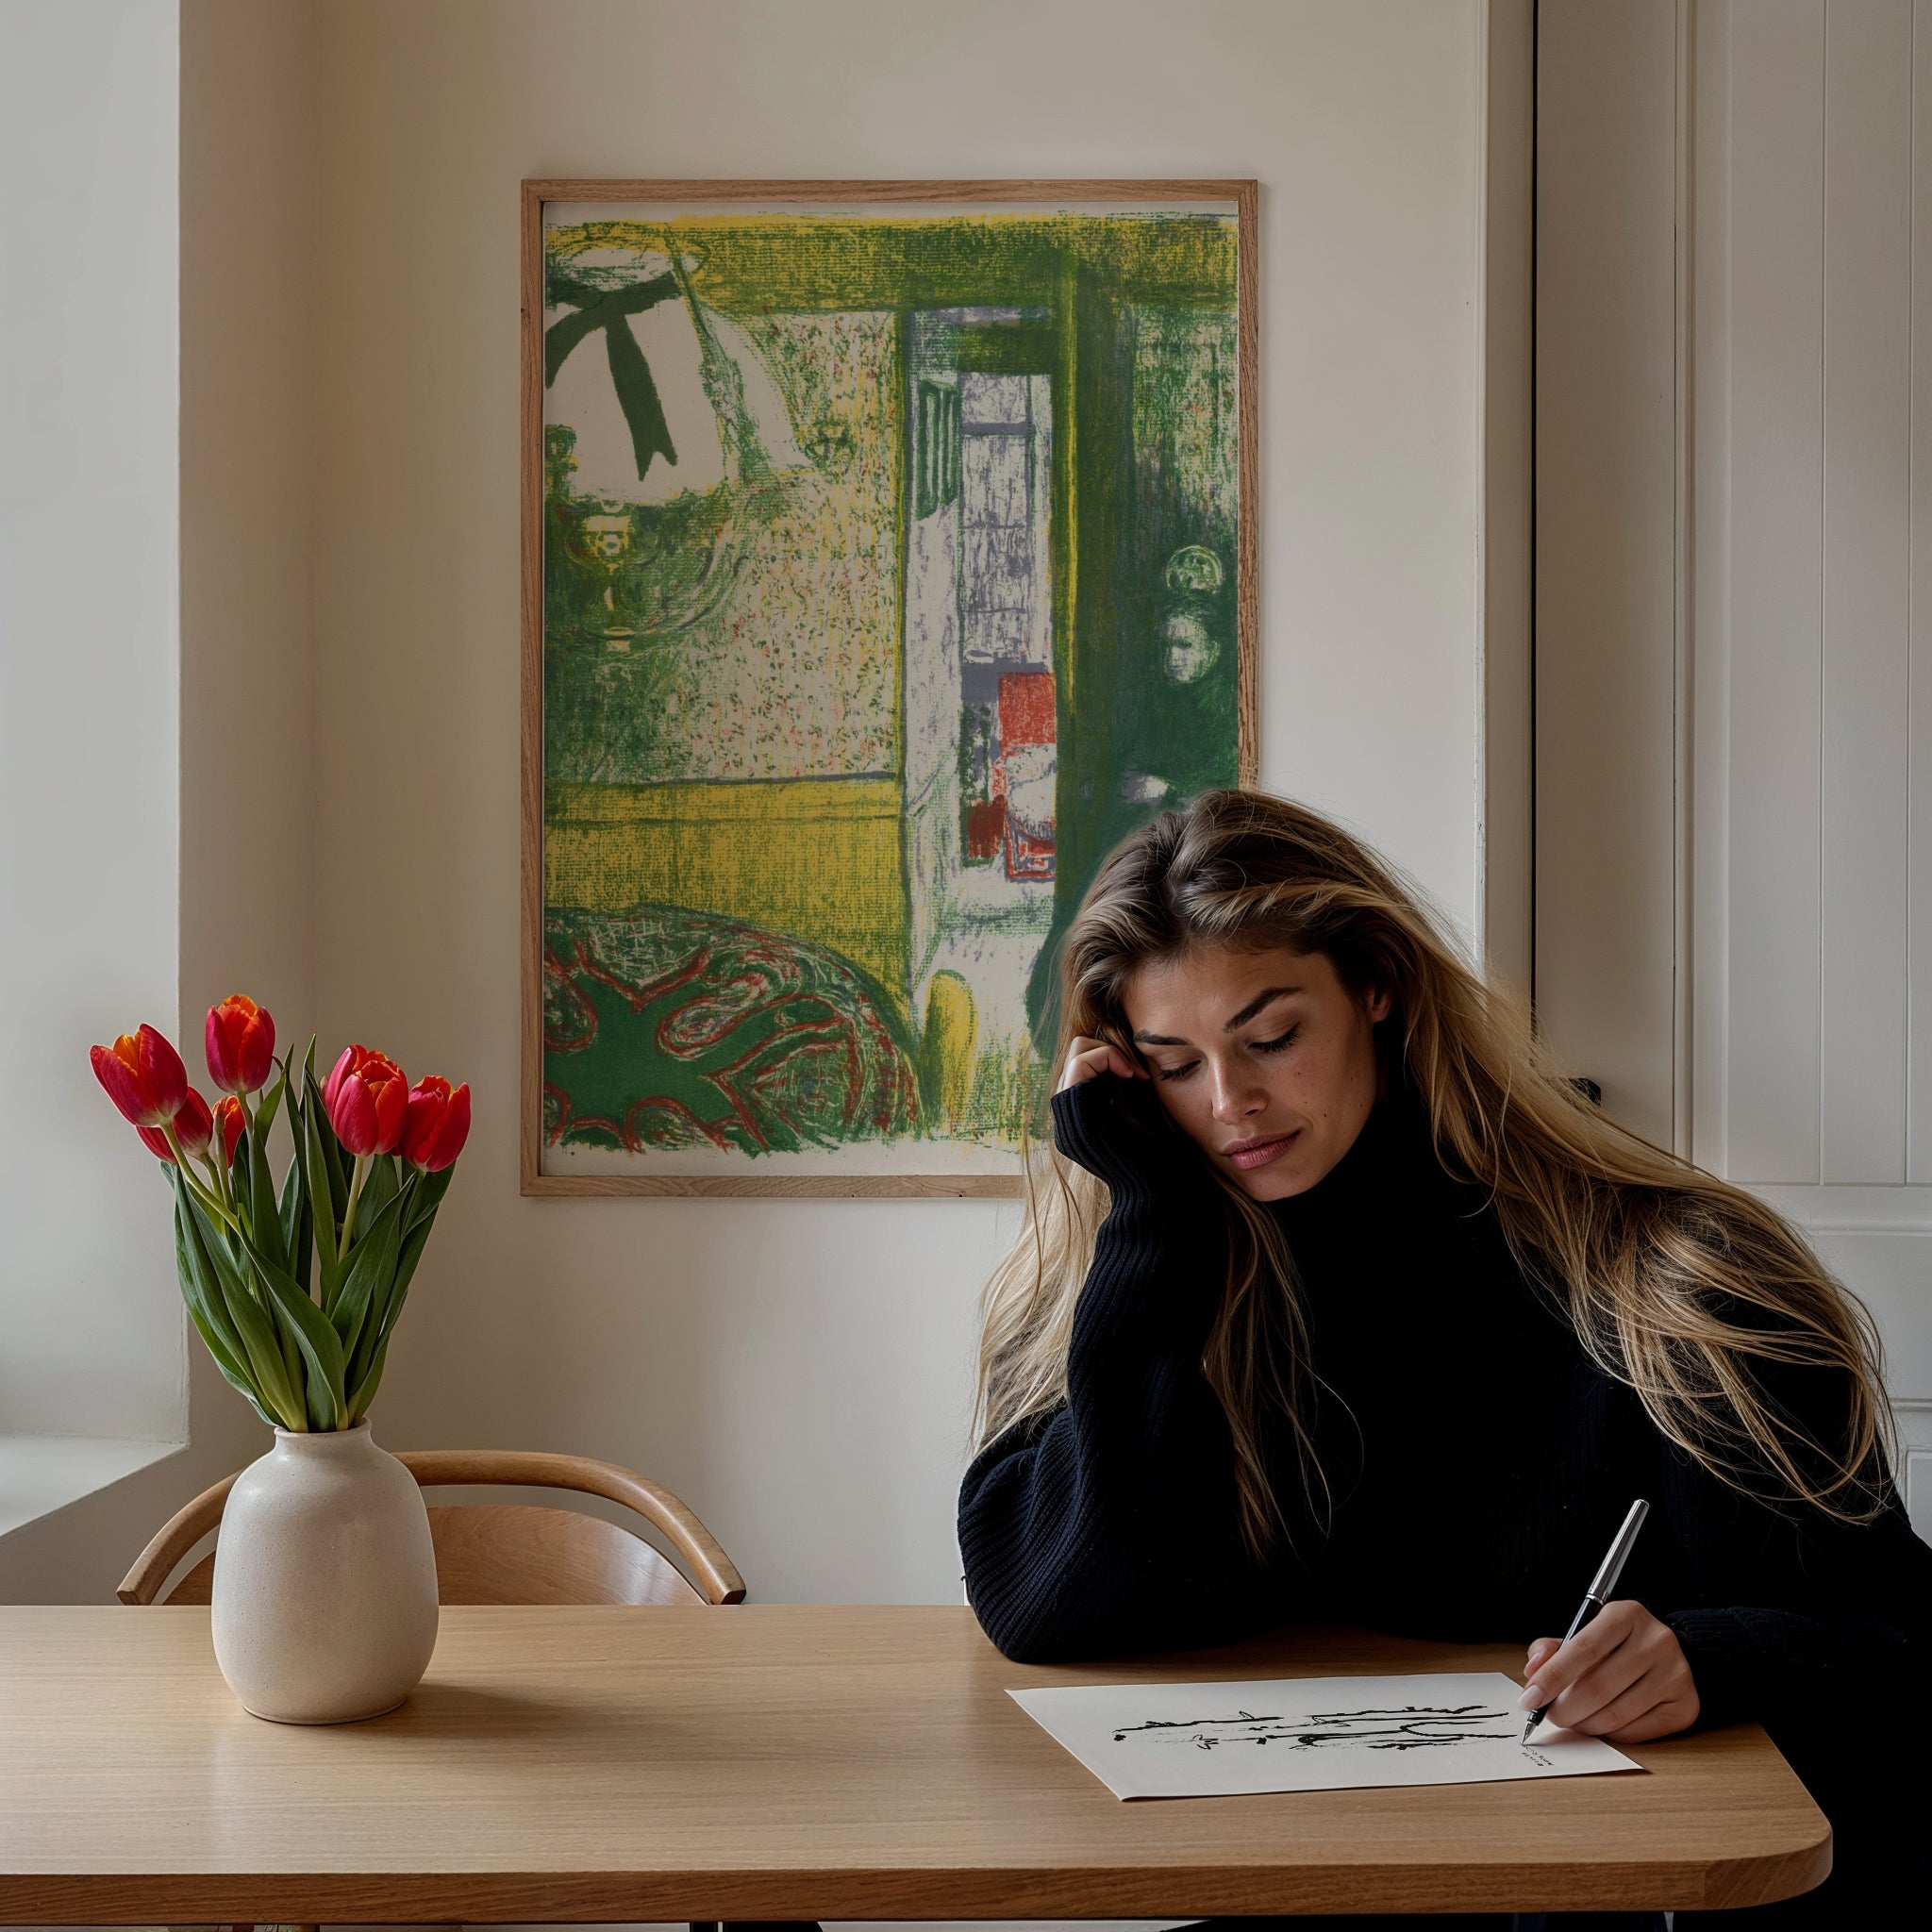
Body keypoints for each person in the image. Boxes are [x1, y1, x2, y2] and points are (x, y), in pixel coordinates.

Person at [958, 790, 1932, 1929]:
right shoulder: (1146, 1272)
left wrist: (1717, 1659)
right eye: (1173, 1063)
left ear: (1375, 982)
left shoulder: (1676, 1286)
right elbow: (1042, 1603)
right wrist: (1149, 1223)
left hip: (1587, 1909)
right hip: (1303, 1892)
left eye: (1271, 1037)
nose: (1231, 1103)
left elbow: (1902, 1649)